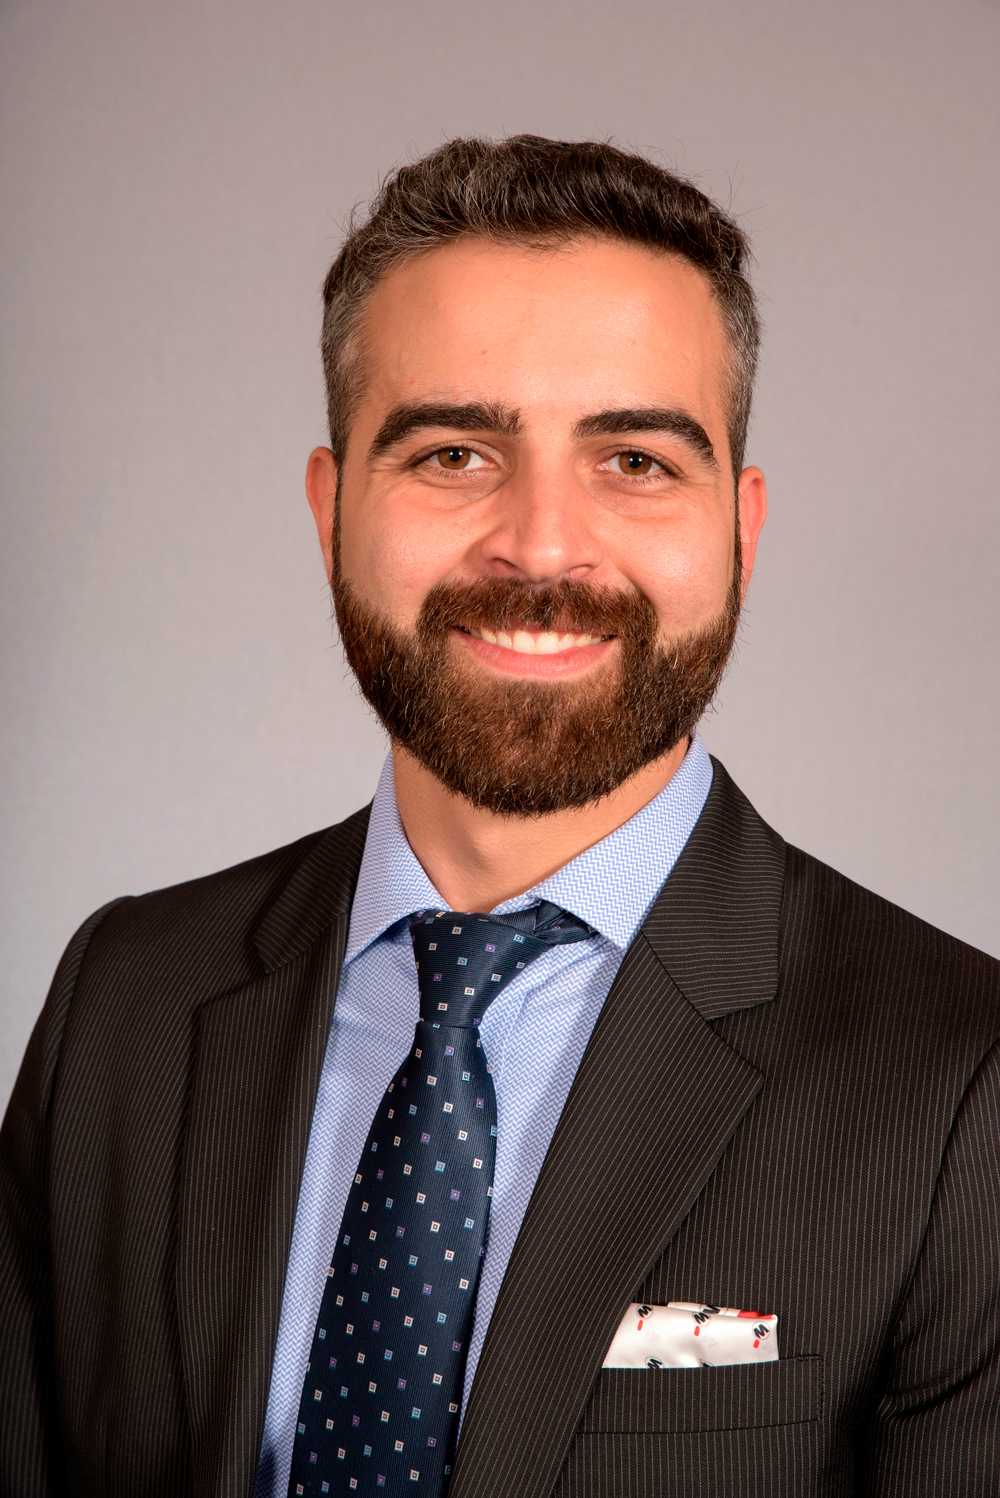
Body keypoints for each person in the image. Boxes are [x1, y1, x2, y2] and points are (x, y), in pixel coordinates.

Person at [1, 135, 998, 1498]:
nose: (540, 544)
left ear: (742, 529)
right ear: (331, 508)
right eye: (456, 452)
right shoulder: (125, 1002)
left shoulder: (961, 1085)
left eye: (635, 458)